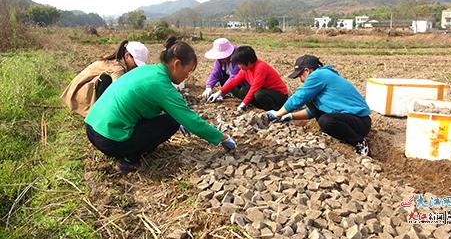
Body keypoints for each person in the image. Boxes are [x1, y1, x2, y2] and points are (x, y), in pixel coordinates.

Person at [84, 36, 236, 174]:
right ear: (176, 64)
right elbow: (192, 121)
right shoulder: (163, 87)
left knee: (168, 117)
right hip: (110, 140)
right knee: (172, 121)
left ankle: (125, 148)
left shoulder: (146, 70)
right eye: (188, 71)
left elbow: (145, 107)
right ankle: (128, 160)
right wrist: (223, 138)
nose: (187, 76)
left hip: (92, 129)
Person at [265, 55, 372, 155]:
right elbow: (314, 111)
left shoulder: (318, 75)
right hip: (350, 119)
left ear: (307, 71)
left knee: (326, 121)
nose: (301, 80)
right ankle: (343, 134)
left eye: (300, 75)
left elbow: (299, 97)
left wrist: (278, 114)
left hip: (360, 121)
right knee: (314, 105)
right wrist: (290, 116)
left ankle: (359, 142)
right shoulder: (324, 76)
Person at [61, 40, 149, 117]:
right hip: (80, 94)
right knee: (106, 80)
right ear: (126, 56)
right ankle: (102, 112)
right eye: (136, 63)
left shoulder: (119, 63)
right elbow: (119, 92)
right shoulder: (117, 67)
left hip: (82, 91)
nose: (137, 67)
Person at [208, 46, 288, 112]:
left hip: (279, 95)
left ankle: (275, 110)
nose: (239, 66)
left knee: (259, 94)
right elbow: (234, 81)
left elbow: (255, 88)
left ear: (249, 62)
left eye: (240, 64)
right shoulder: (245, 69)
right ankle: (261, 106)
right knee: (242, 90)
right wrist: (219, 92)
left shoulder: (260, 67)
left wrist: (243, 104)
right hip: (264, 91)